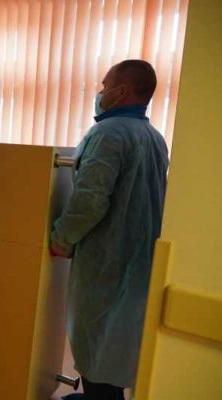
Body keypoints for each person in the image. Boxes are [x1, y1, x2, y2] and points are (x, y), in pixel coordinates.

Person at [50, 60, 169, 400]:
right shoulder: (154, 137)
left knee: (96, 343)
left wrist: (61, 239)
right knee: (118, 344)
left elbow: (89, 201)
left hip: (107, 263)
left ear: (122, 91)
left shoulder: (107, 134)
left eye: (104, 86)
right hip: (139, 261)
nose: (100, 93)